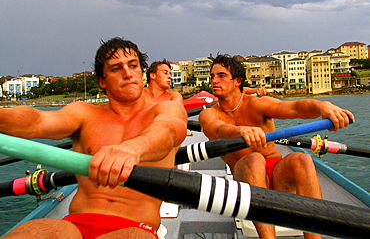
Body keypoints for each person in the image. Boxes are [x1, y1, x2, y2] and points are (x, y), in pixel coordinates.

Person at [1, 37, 188, 239]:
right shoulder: (84, 113)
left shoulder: (166, 108)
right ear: (101, 81)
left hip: (136, 226)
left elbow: (169, 130)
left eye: (133, 66)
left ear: (141, 72)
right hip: (77, 223)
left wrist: (133, 148)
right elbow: (35, 121)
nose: (127, 74)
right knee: (32, 232)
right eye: (116, 68)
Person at [199, 54, 354, 239]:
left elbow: (295, 108)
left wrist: (322, 106)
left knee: (303, 159)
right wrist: (240, 131)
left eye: (221, 76)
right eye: (212, 76)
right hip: (246, 182)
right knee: (255, 159)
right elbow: (217, 129)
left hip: (278, 176)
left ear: (237, 81)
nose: (214, 81)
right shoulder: (208, 114)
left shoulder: (257, 104)